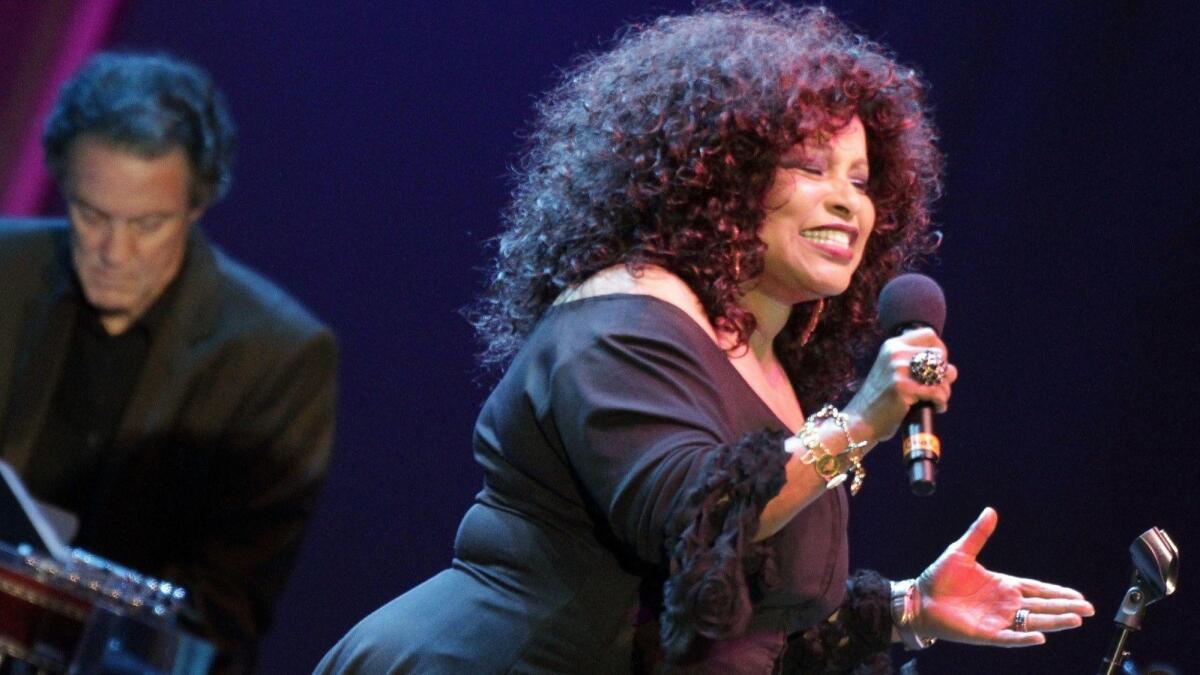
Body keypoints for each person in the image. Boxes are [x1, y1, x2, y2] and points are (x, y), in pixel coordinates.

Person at [317, 6, 1090, 674]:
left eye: (860, 179)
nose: (847, 203)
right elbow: (692, 522)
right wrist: (861, 424)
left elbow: (742, 625)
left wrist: (907, 607)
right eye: (810, 166)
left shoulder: (775, 362)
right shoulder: (620, 321)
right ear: (722, 175)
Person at [0, 52, 337, 673]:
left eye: (149, 223)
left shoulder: (276, 356)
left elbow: (225, 609)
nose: (113, 251)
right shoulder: (6, 267)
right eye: (90, 214)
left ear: (197, 207)